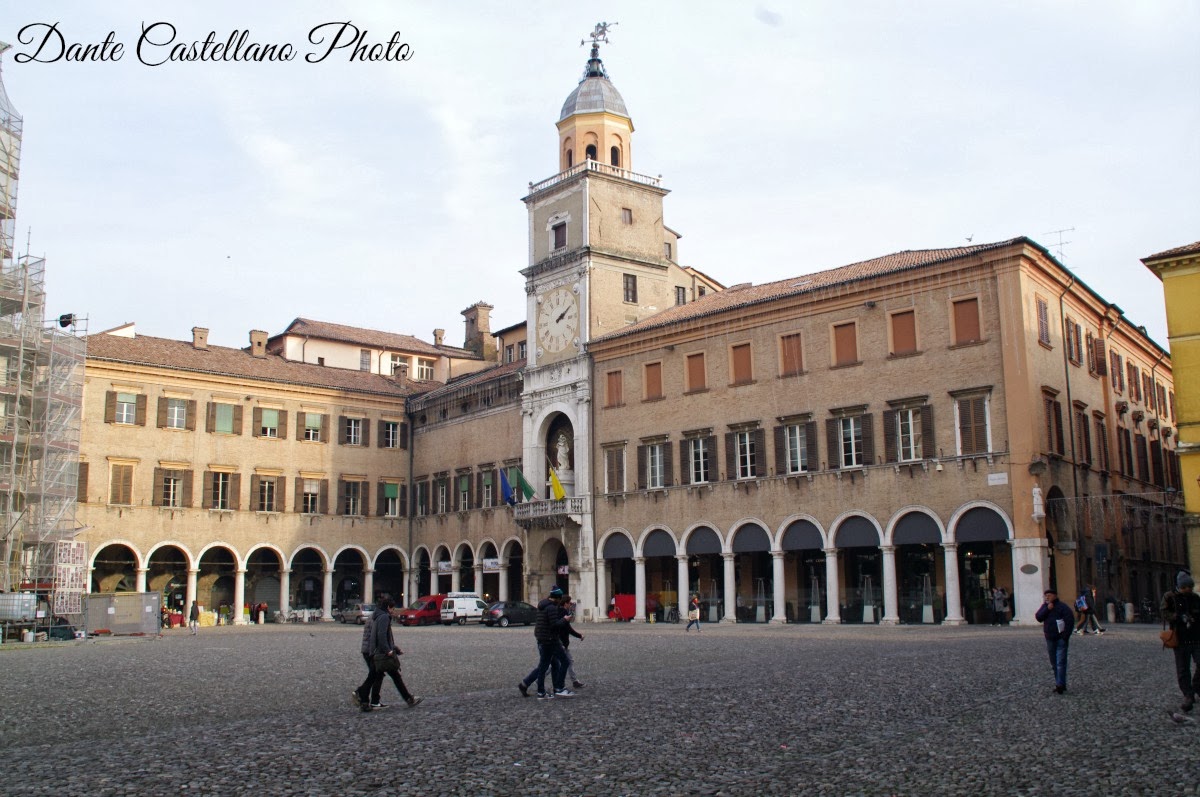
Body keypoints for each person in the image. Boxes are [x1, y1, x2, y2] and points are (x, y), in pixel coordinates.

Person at [353, 597, 422, 712]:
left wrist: (393, 648)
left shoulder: (375, 616)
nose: (394, 611)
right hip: (377, 652)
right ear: (388, 607)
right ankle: (362, 694)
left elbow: (381, 637)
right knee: (389, 675)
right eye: (393, 608)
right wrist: (388, 650)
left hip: (373, 651)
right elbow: (381, 636)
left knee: (377, 676)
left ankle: (368, 701)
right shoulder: (383, 617)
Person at [517, 585, 574, 700]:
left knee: (548, 665)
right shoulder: (551, 608)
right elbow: (554, 625)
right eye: (560, 598)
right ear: (557, 598)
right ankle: (558, 688)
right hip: (550, 640)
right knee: (563, 662)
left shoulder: (542, 605)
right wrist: (564, 620)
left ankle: (539, 690)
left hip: (541, 638)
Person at [1161, 571, 1200, 712]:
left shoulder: (1195, 598)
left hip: (1196, 637)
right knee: (1183, 669)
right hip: (1180, 638)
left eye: (1190, 587)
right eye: (1185, 587)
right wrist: (1177, 617)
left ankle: (1196, 686)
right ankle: (1188, 695)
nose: (1188, 589)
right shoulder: (1169, 597)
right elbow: (1164, 612)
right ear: (1180, 586)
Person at [1035, 588, 1074, 694]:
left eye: (1049, 595)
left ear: (1055, 596)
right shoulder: (1045, 606)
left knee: (1060, 662)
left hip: (1061, 638)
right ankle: (1059, 682)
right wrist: (1047, 609)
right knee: (1054, 662)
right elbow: (1038, 617)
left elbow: (1069, 621)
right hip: (1050, 638)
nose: (1047, 597)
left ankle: (1060, 684)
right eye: (1046, 595)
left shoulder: (1063, 607)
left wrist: (1065, 636)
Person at [558, 594, 585, 689]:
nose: (570, 604)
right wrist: (579, 635)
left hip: (562, 642)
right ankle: (537, 679)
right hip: (561, 643)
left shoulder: (561, 610)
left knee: (569, 661)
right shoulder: (563, 612)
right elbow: (568, 628)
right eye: (569, 603)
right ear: (565, 603)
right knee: (553, 665)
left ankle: (575, 681)